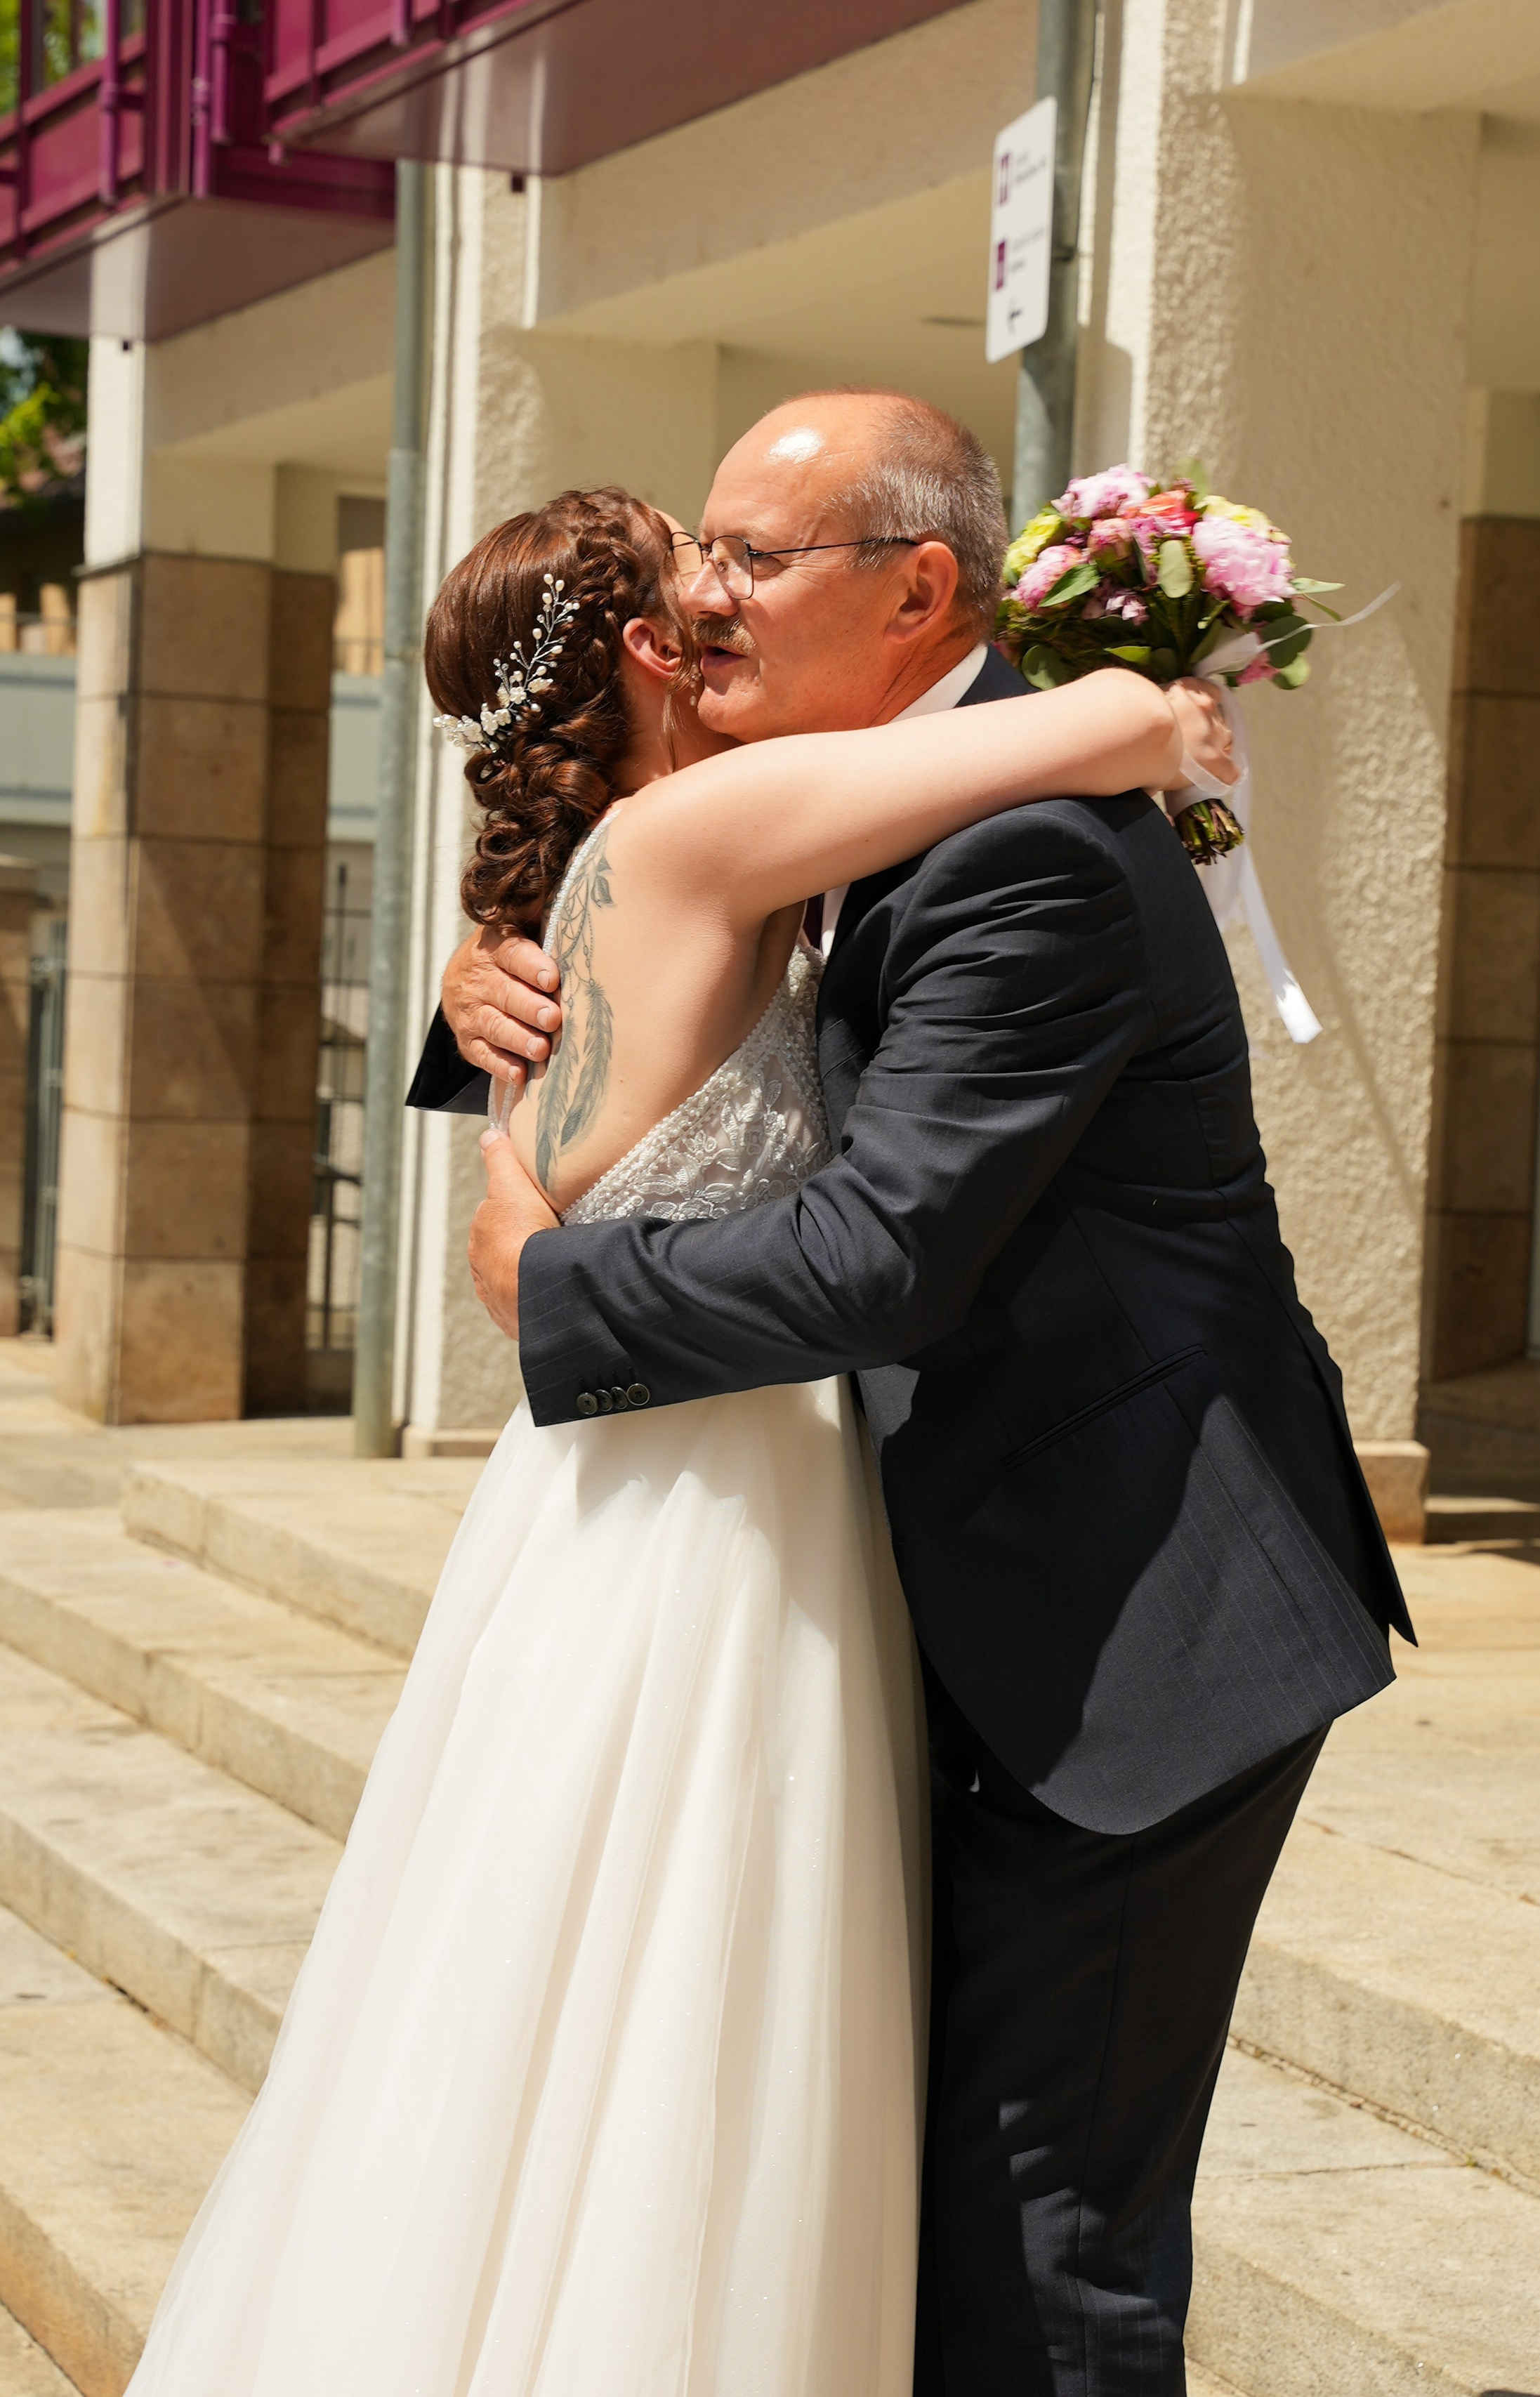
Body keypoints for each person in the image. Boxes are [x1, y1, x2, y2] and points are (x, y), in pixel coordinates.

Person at [121, 476, 1220, 2397]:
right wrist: (1165, 692)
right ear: (649, 645)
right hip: (720, 1485)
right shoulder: (712, 825)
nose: (727, 597)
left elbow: (594, 1116)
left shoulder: (613, 868)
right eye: (704, 574)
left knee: (554, 1971)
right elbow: (1110, 726)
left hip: (610, 1483)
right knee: (697, 1969)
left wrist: (477, 1014)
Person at [445, 390, 1414, 2397]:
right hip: (929, 1577)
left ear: (916, 595)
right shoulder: (844, 800)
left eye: (753, 557)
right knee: (927, 2190)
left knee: (1045, 2238)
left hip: (1131, 1609)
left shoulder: (1021, 851)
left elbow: (882, 1255)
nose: (707, 597)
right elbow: (668, 973)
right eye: (698, 556)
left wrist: (550, 1285)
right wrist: (491, 993)